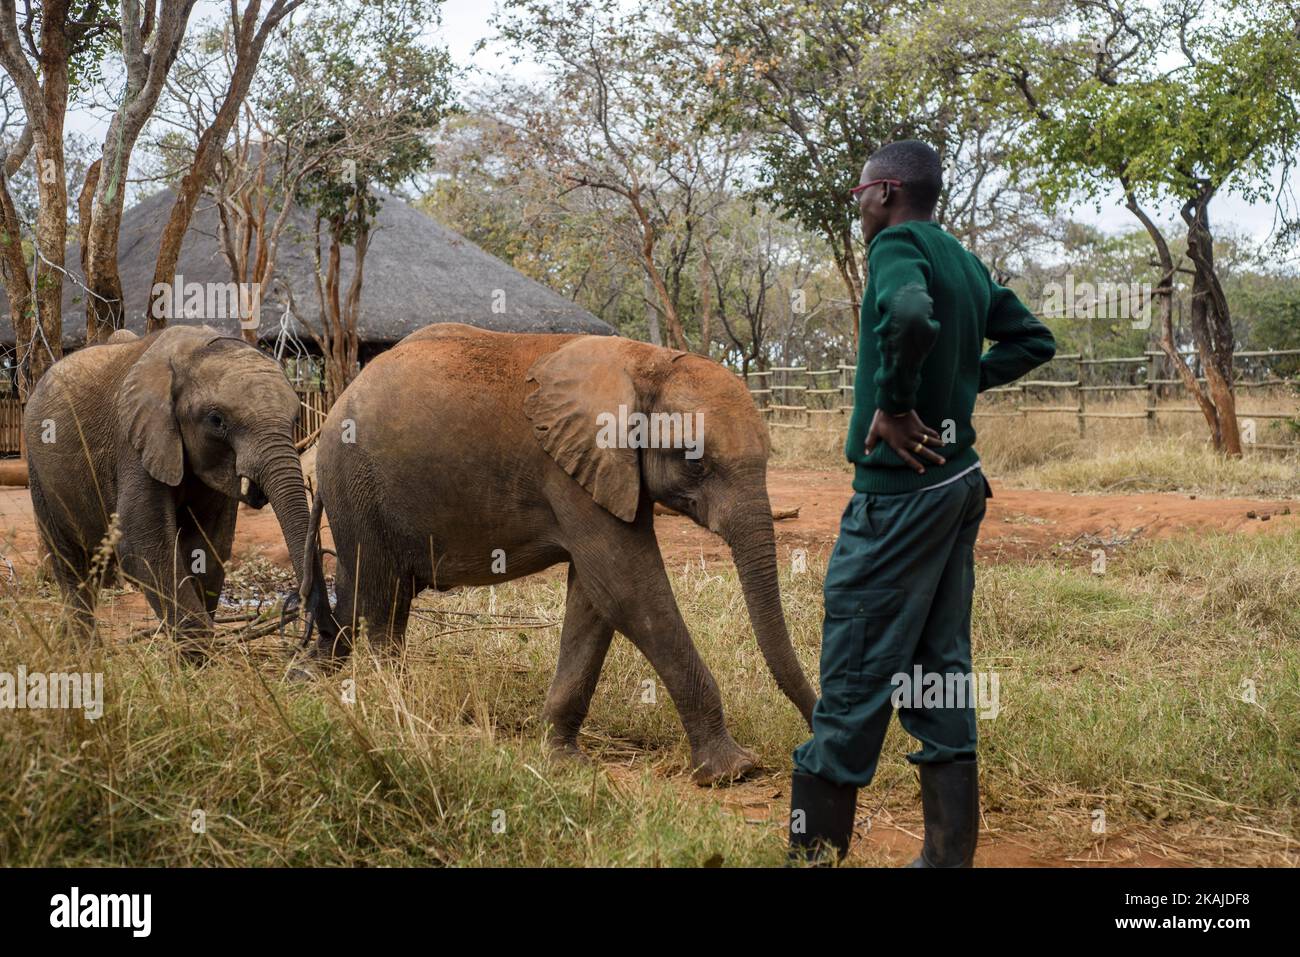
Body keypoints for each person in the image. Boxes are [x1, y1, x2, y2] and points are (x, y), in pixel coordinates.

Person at [787, 140, 1056, 866]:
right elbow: (1034, 339)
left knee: (854, 664)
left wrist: (899, 404)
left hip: (900, 498)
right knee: (937, 663)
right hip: (959, 484)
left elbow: (907, 314)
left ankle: (813, 858)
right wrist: (960, 382)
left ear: (887, 192)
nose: (858, 209)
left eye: (859, 195)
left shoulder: (898, 245)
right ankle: (946, 859)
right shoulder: (964, 261)